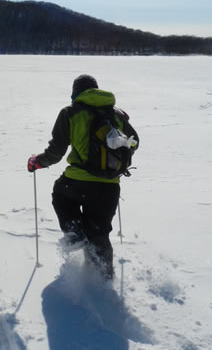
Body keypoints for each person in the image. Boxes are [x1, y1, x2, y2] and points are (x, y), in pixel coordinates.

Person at [27, 74, 139, 280]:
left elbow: (56, 152)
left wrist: (38, 162)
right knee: (99, 232)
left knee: (60, 195)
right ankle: (104, 279)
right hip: (109, 186)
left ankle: (75, 234)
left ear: (75, 94)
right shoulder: (116, 115)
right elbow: (134, 142)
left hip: (77, 181)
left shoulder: (70, 112)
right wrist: (114, 164)